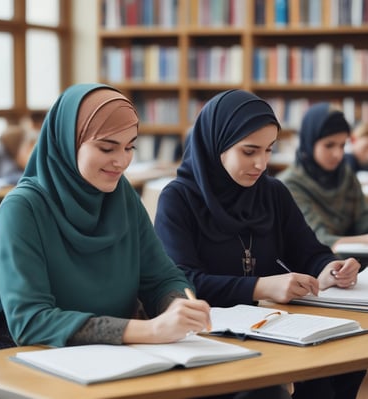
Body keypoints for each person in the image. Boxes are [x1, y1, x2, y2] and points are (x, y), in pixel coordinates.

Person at [154, 90, 365, 399]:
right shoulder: (178, 199)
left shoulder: (273, 193)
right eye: (249, 151)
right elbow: (184, 283)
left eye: (268, 150)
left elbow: (309, 251)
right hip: (209, 335)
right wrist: (261, 287)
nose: (261, 164)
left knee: (345, 361)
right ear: (217, 146)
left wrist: (330, 268)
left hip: (275, 327)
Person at [0, 83, 211, 352]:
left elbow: (163, 277)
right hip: (34, 358)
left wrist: (178, 303)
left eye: (129, 147)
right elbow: (31, 321)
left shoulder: (122, 197)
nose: (121, 161)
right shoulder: (22, 208)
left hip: (114, 354)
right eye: (107, 149)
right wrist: (151, 329)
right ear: (67, 143)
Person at [277, 103, 368, 252]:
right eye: (329, 145)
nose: (338, 154)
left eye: (342, 145)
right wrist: (364, 240)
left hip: (354, 264)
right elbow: (318, 239)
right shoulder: (289, 185)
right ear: (310, 141)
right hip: (314, 268)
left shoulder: (345, 174)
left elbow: (363, 221)